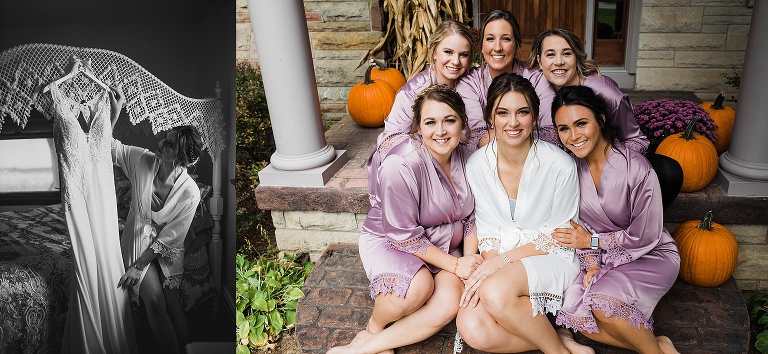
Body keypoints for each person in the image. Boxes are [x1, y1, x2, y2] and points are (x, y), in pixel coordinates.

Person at [328, 85, 483, 354]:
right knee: (417, 288)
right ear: (418, 128)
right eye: (431, 122)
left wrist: (469, 260)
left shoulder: (467, 154)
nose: (441, 130)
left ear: (462, 123)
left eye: (449, 120)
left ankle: (366, 348)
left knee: (449, 303)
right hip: (392, 239)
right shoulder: (401, 163)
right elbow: (403, 236)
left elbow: (472, 216)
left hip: (449, 246)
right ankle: (373, 327)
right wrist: (457, 267)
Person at [455, 73, 592, 354]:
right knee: (471, 326)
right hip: (501, 258)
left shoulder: (560, 165)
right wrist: (493, 263)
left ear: (534, 116)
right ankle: (556, 338)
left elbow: (559, 236)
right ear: (490, 117)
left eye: (523, 112)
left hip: (551, 256)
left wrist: (500, 265)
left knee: (494, 291)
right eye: (503, 113)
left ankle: (556, 351)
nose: (513, 122)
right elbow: (488, 229)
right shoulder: (477, 165)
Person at [550, 85, 681, 353]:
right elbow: (578, 230)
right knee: (577, 314)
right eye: (564, 128)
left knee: (599, 303)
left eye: (581, 123)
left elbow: (645, 235)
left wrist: (594, 241)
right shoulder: (569, 170)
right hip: (601, 256)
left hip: (650, 254)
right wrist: (591, 264)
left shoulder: (637, 169)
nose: (573, 136)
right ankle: (658, 343)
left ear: (601, 118)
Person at [526, 28, 683, 210]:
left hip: (604, 169)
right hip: (560, 177)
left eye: (566, 53)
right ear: (539, 60)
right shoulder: (536, 90)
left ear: (576, 56)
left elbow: (635, 139)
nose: (558, 62)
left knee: (667, 171)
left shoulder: (604, 92)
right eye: (550, 55)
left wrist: (610, 170)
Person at [47, 59, 138, 354]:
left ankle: (114, 339)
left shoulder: (104, 98)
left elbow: (102, 145)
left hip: (104, 197)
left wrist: (115, 111)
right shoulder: (57, 96)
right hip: (75, 196)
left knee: (109, 262)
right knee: (85, 265)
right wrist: (67, 75)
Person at [109, 87, 202, 354]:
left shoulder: (190, 193)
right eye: (165, 138)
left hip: (169, 247)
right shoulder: (142, 160)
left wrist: (140, 266)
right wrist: (115, 115)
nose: (161, 143)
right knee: (155, 300)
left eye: (170, 143)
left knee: (173, 302)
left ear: (182, 156)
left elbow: (171, 238)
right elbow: (111, 147)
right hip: (137, 238)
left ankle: (187, 350)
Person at [455, 9, 557, 144]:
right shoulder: (469, 83)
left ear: (516, 44)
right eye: (490, 39)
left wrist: (503, 133)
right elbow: (476, 138)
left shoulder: (537, 79)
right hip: (487, 159)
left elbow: (550, 135)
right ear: (481, 45)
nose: (497, 47)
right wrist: (522, 130)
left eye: (506, 39)